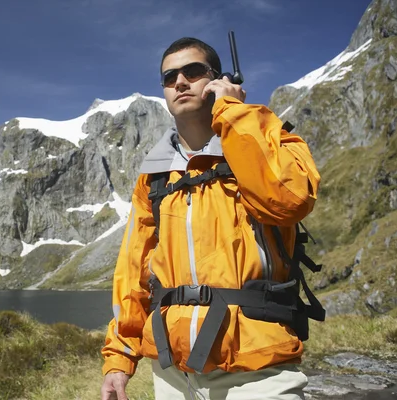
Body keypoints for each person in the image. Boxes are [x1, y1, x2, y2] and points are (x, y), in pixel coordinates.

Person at [100, 37, 322, 400]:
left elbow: (287, 201)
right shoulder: (154, 178)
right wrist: (119, 358)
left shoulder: (273, 141)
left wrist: (232, 110)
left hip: (257, 369)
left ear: (218, 80)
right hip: (173, 374)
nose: (180, 82)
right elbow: (133, 273)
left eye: (193, 71)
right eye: (170, 77)